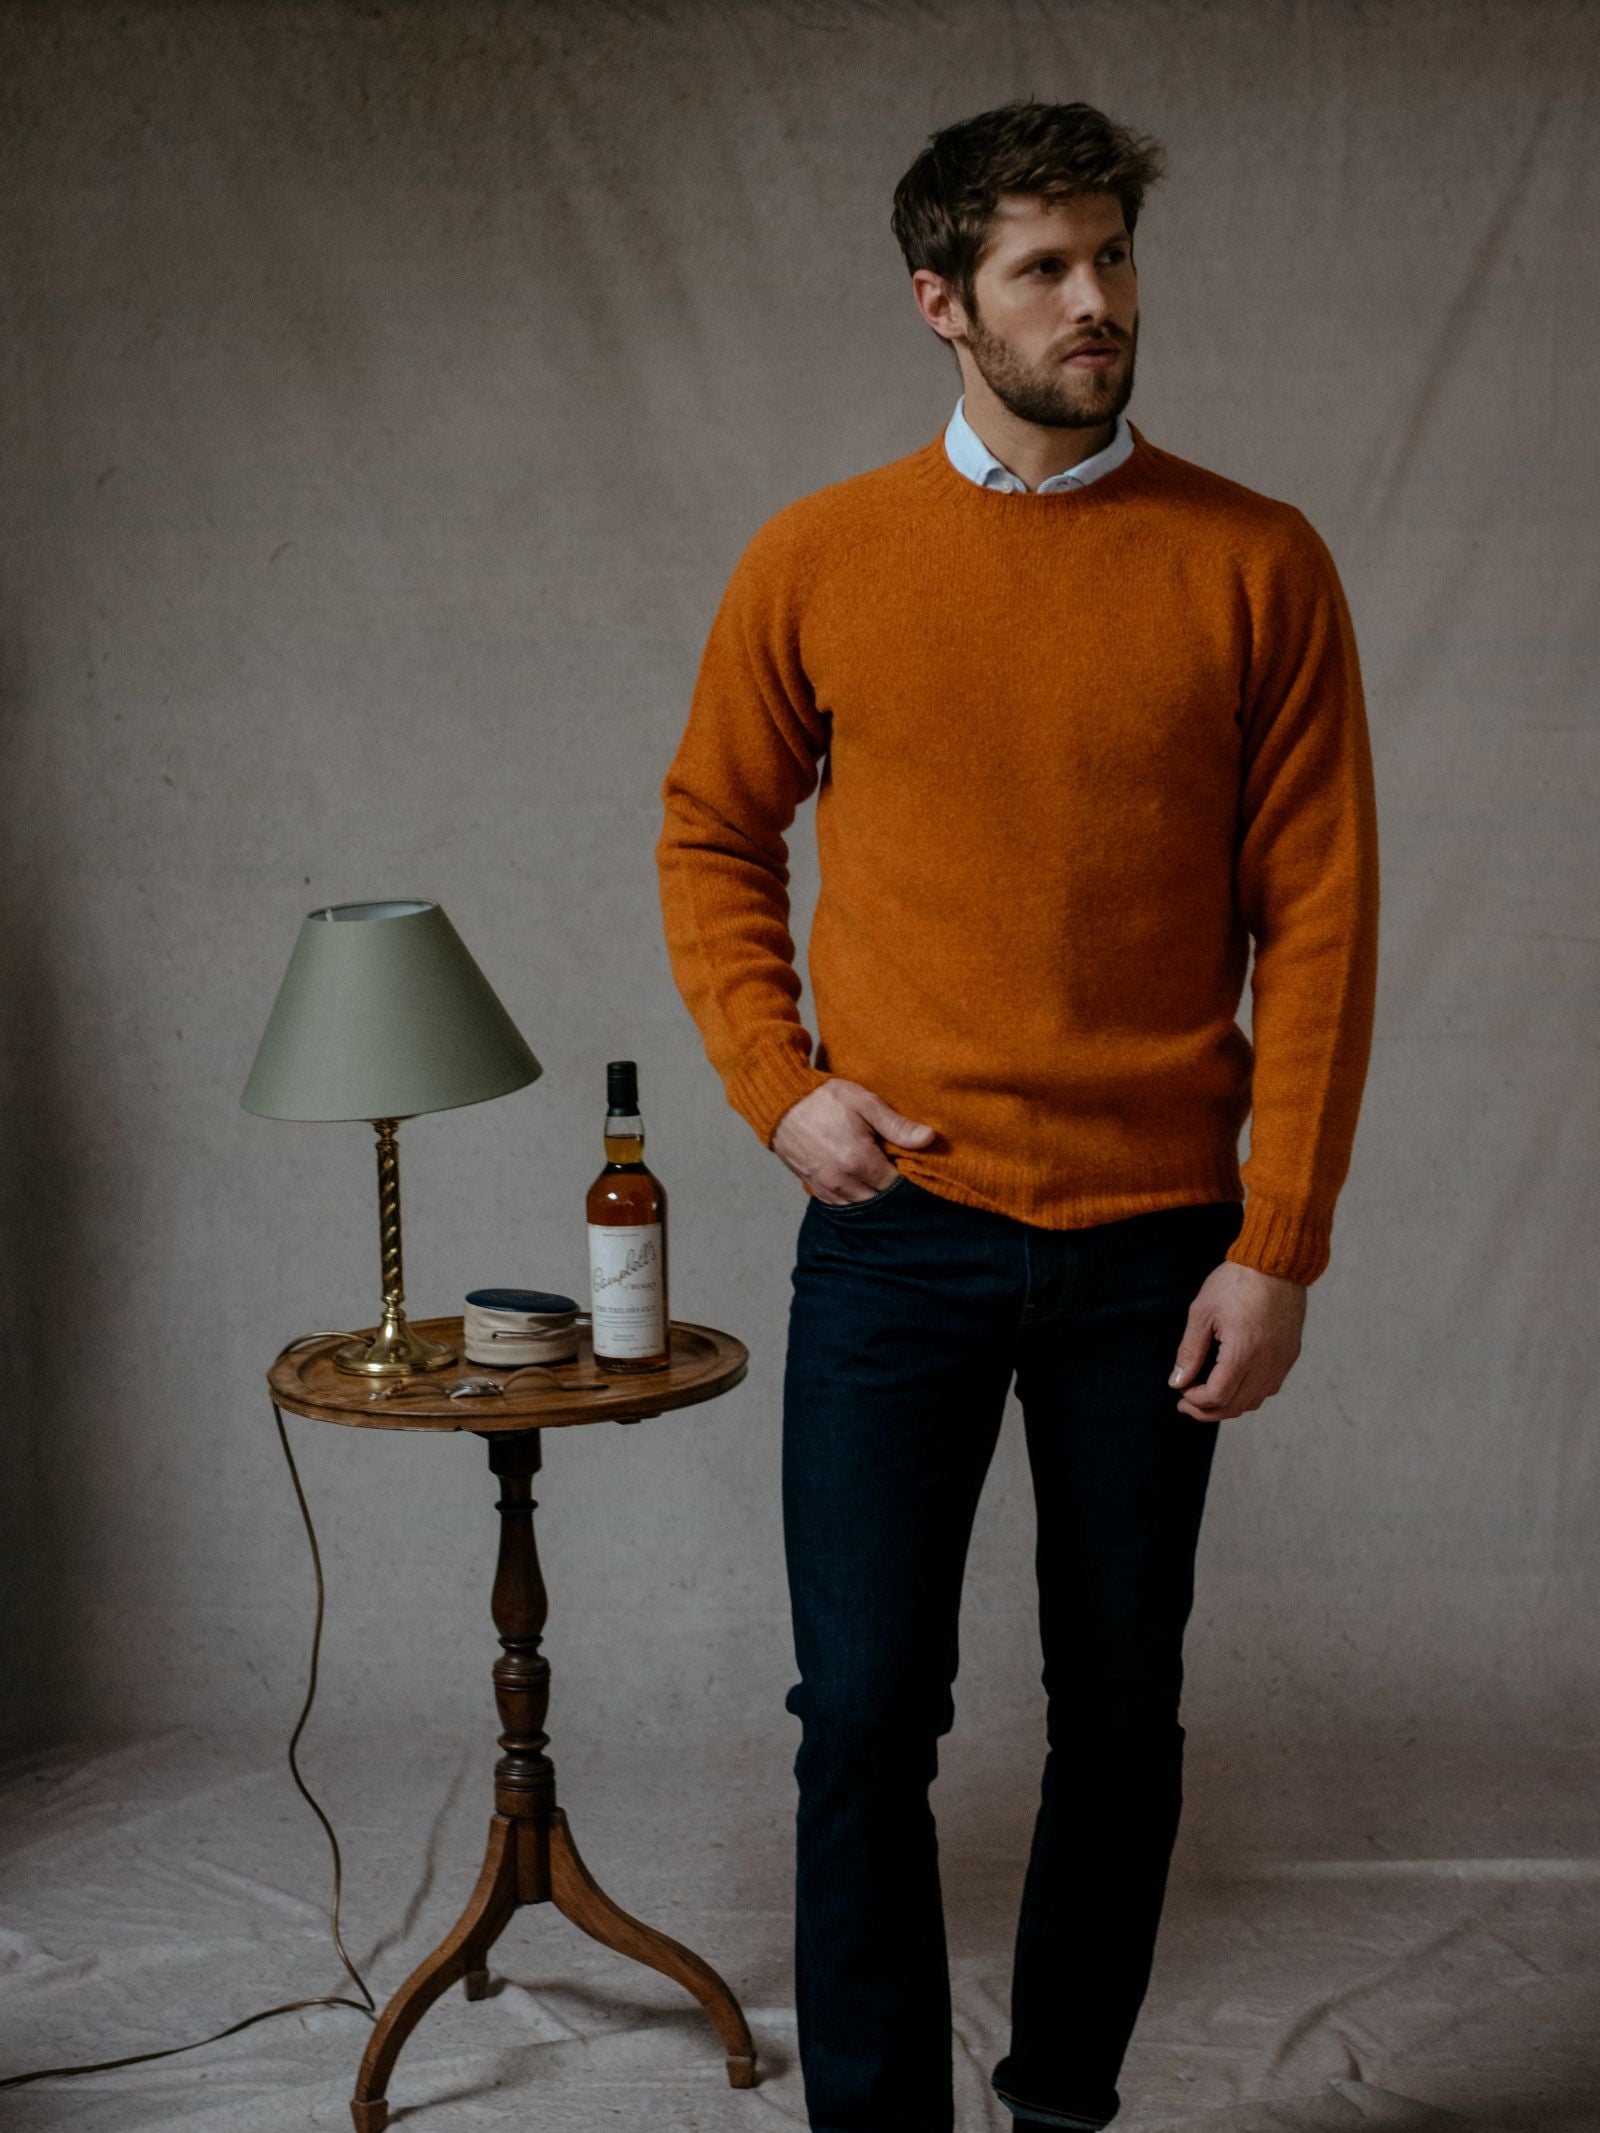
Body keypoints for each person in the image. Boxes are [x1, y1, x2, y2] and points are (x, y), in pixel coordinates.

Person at [654, 96, 1379, 2133]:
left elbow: (1317, 919)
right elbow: (710, 827)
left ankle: (1059, 2100)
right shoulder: (814, 556)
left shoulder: (1257, 560)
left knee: (1119, 1717)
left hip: (1159, 1240)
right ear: (937, 303)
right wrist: (778, 1089)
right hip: (896, 1226)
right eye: (1045, 269)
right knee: (864, 1708)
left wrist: (1275, 1235)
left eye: (1111, 260)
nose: (1094, 301)